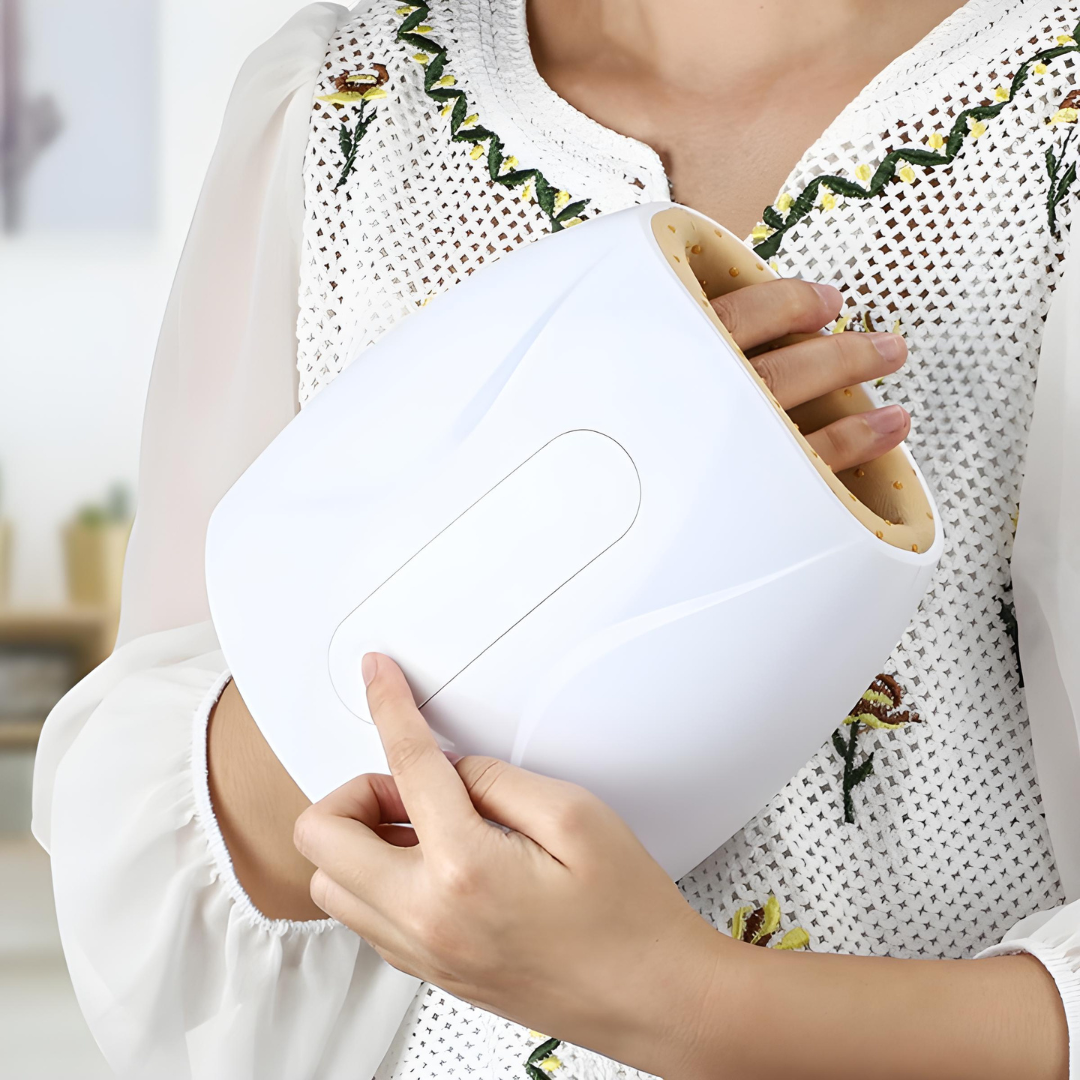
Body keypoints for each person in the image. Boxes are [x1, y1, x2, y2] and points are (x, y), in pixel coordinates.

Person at [30, 0, 1080, 1077]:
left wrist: (692, 1005)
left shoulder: (1054, 117)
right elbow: (170, 857)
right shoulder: (349, 102)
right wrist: (513, 527)